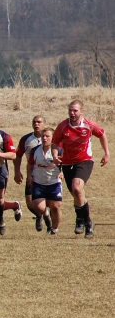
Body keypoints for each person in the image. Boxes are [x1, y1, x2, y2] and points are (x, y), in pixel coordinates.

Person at [51, 99, 109, 238]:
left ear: (81, 111)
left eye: (75, 110)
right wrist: (54, 155)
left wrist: (107, 153)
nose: (72, 113)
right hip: (67, 163)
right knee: (77, 194)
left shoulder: (88, 124)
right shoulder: (63, 126)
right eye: (70, 110)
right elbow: (54, 143)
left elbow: (102, 134)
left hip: (85, 161)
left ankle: (79, 220)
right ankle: (88, 222)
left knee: (77, 187)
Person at [13, 115, 49, 231]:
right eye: (34, 122)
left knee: (49, 202)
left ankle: (47, 219)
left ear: (44, 124)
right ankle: (41, 215)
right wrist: (17, 171)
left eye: (39, 122)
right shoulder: (26, 139)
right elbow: (17, 156)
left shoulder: (51, 137)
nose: (36, 124)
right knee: (29, 203)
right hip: (33, 174)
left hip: (48, 174)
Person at [27, 127, 61, 235]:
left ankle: (54, 229)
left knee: (55, 207)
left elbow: (66, 163)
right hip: (38, 182)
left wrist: (62, 173)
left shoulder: (59, 150)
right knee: (38, 207)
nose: (44, 138)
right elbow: (30, 164)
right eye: (43, 136)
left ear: (53, 138)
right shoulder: (35, 150)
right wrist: (29, 176)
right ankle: (45, 214)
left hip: (54, 182)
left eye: (47, 136)